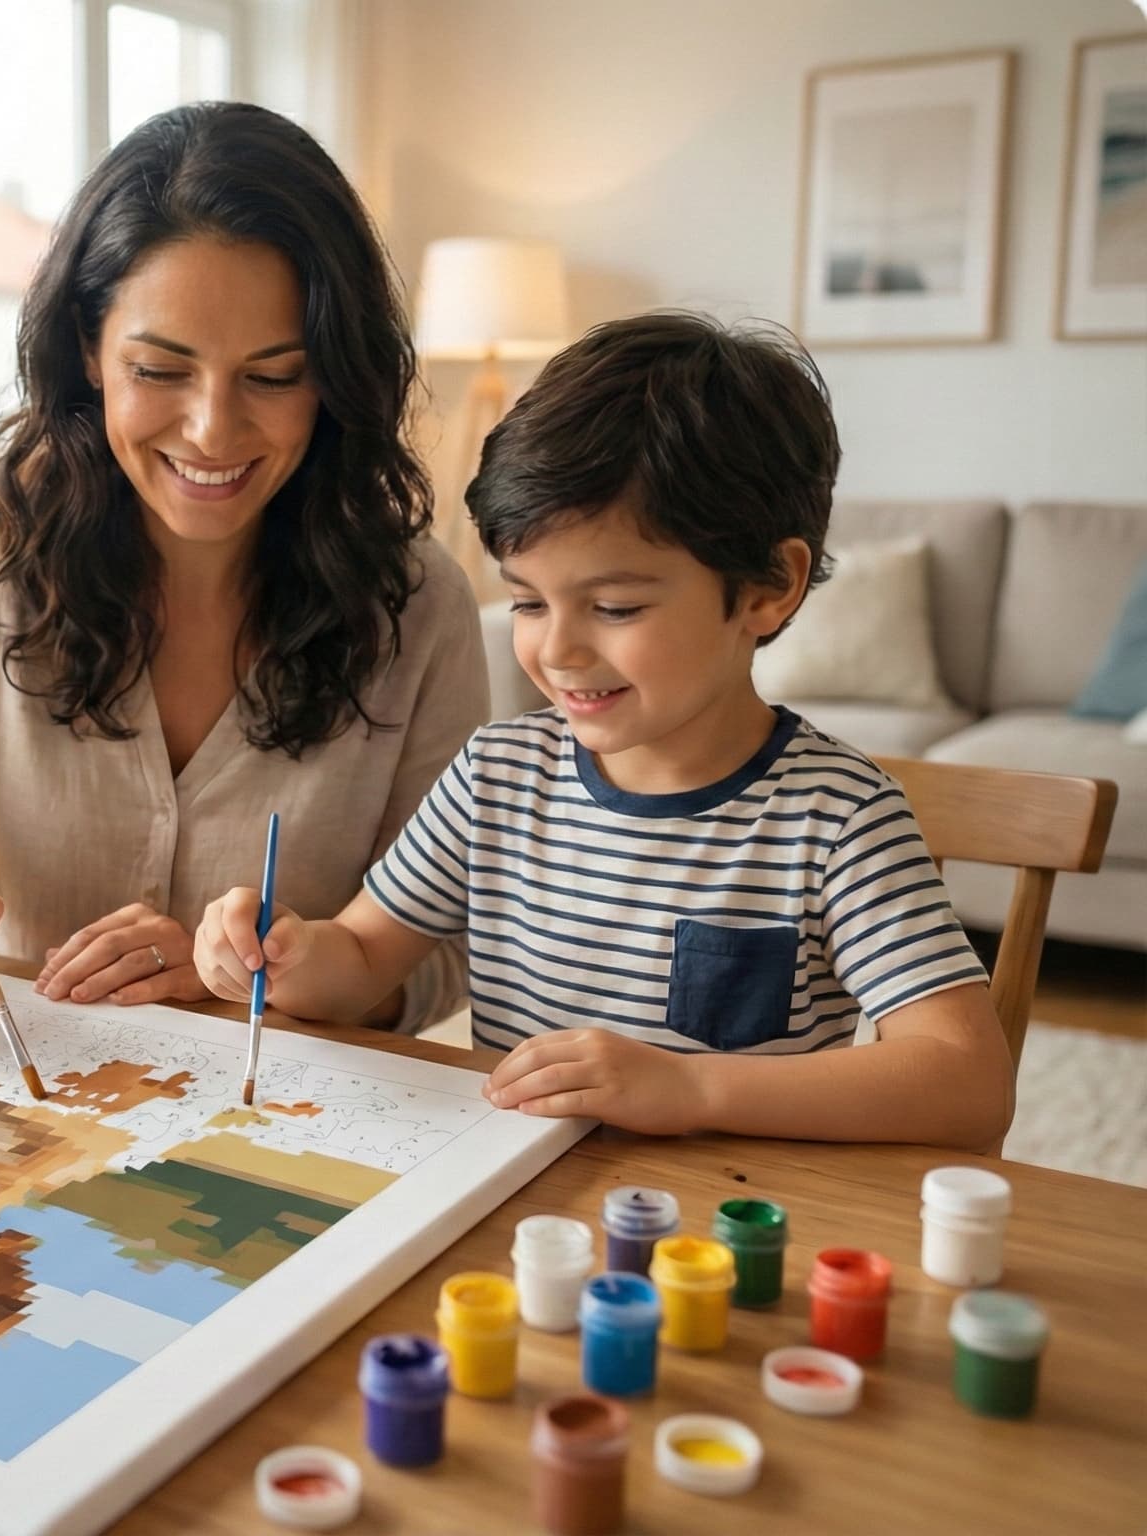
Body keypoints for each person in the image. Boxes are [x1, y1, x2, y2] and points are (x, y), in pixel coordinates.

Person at [0, 101, 486, 1030]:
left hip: (279, 1129)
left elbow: (446, 950)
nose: (212, 429)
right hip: (14, 1113)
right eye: (160, 370)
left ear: (332, 376)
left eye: (273, 376)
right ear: (87, 349)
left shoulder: (417, 606)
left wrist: (265, 979)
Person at [195, 312, 1012, 1149]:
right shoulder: (497, 777)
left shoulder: (838, 818)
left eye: (615, 607)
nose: (557, 649)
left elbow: (968, 1080)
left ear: (770, 587)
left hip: (723, 1234)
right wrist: (287, 955)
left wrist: (693, 1085)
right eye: (527, 601)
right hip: (512, 1206)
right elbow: (362, 960)